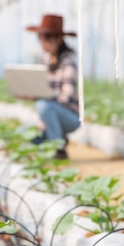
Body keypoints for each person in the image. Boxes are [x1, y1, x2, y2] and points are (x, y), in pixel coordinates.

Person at [25, 14, 80, 160]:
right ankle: (58, 137)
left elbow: (67, 96)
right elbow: (37, 86)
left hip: (70, 117)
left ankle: (58, 149)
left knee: (43, 105)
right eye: (41, 39)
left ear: (59, 39)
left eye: (47, 39)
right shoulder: (45, 59)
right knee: (24, 133)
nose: (43, 43)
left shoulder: (68, 60)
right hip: (49, 114)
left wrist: (46, 99)